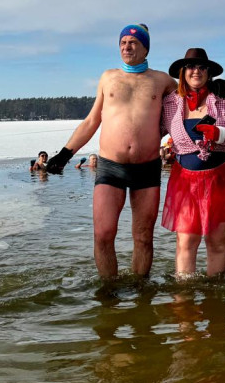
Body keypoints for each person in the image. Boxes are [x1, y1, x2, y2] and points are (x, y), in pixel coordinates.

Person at [43, 24, 175, 279]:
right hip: (110, 167)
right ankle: (109, 292)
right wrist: (65, 154)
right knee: (103, 234)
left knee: (144, 237)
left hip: (147, 168)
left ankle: (140, 292)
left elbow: (189, 104)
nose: (127, 46)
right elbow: (92, 121)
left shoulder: (162, 81)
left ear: (146, 47)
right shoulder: (108, 77)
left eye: (133, 42)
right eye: (123, 42)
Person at [160, 48, 225, 277]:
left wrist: (220, 134)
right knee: (186, 243)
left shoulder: (224, 99)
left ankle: (215, 298)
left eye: (202, 67)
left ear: (209, 72)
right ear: (182, 72)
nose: (196, 71)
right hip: (185, 181)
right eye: (191, 66)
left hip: (222, 177)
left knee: (217, 242)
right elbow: (151, 130)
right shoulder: (170, 103)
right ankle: (184, 297)